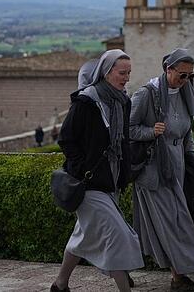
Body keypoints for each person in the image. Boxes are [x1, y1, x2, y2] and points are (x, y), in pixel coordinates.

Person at [52, 51, 142, 292]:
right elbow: (66, 140)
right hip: (89, 184)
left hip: (110, 180)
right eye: (122, 73)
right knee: (118, 236)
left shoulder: (123, 101)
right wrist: (82, 169)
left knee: (82, 236)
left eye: (128, 73)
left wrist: (125, 174)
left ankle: (60, 284)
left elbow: (123, 141)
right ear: (106, 72)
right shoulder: (86, 102)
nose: (126, 78)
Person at [129, 48, 194, 292]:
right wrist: (151, 132)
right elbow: (126, 130)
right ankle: (178, 277)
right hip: (154, 172)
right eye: (182, 75)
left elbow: (186, 133)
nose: (185, 81)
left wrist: (192, 162)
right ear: (168, 69)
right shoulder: (146, 94)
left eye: (189, 77)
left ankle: (120, 267)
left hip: (177, 169)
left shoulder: (183, 94)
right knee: (171, 224)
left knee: (177, 220)